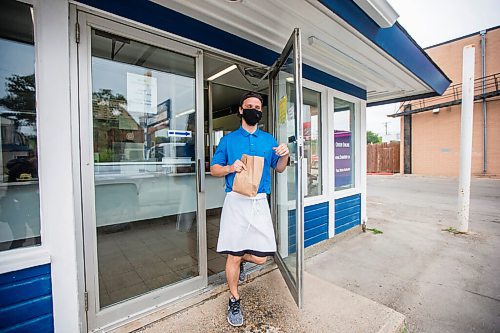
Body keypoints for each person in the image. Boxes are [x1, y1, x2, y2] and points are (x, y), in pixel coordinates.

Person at [210, 91, 289, 327]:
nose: (254, 109)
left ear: (261, 112)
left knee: (263, 257)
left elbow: (280, 168)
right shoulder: (228, 140)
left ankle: (241, 257)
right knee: (233, 254)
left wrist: (285, 155)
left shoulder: (269, 140)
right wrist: (230, 167)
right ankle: (234, 299)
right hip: (235, 200)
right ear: (241, 110)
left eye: (258, 106)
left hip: (259, 201)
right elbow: (214, 169)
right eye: (249, 105)